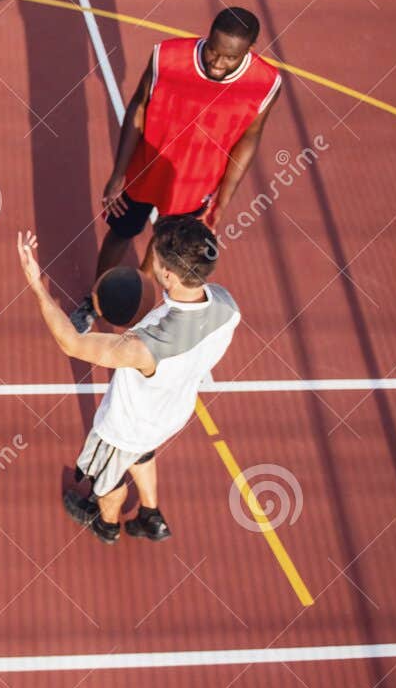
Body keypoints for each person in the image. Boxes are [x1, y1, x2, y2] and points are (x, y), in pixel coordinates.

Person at [19, 216, 240, 545]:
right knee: (143, 453)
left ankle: (106, 524)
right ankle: (150, 517)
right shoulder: (225, 304)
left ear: (166, 273)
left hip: (126, 426)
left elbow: (73, 343)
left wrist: (37, 286)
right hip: (173, 410)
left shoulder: (146, 348)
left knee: (107, 481)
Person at [77, 7, 278, 328]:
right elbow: (139, 107)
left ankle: (134, 303)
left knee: (162, 251)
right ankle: (97, 297)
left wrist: (221, 204)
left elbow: (248, 143)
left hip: (196, 185)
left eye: (229, 58)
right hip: (145, 171)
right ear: (207, 36)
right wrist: (118, 173)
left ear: (249, 51)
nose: (216, 62)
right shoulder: (167, 58)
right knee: (119, 234)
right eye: (213, 51)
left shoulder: (265, 83)